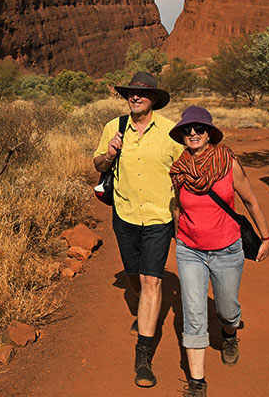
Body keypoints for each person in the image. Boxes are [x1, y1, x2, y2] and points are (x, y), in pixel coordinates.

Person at [168, 106, 269, 397]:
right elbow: (178, 205)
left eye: (199, 129)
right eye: (187, 130)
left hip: (227, 250)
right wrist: (180, 233)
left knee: (227, 311)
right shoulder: (180, 170)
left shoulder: (228, 163)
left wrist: (266, 237)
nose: (193, 133)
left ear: (209, 133)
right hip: (191, 250)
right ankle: (197, 384)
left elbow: (250, 201)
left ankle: (229, 335)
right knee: (194, 313)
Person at [93, 71, 183, 388]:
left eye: (142, 93)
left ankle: (143, 356)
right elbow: (99, 166)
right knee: (134, 274)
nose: (135, 97)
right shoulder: (113, 128)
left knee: (151, 280)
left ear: (154, 99)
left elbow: (187, 171)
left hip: (159, 218)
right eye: (131, 92)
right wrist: (110, 153)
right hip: (126, 214)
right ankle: (144, 308)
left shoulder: (172, 132)